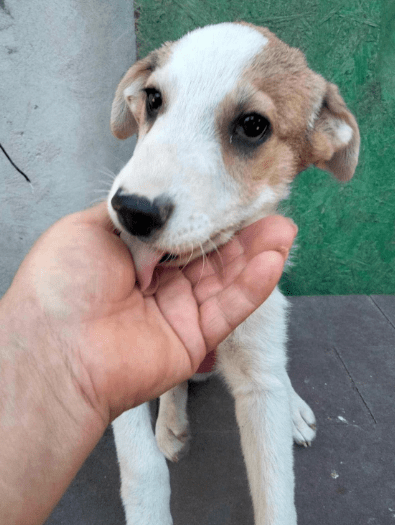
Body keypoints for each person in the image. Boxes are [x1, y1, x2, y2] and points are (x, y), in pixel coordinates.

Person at [0, 202, 297, 524]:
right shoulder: (122, 234)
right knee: (148, 353)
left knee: (259, 369)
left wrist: (274, 384)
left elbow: (260, 384)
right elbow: (112, 364)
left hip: (233, 270)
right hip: (173, 330)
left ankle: (248, 390)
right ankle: (174, 393)